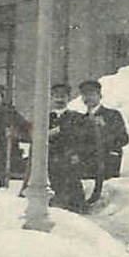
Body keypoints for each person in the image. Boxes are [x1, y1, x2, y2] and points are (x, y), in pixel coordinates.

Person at [78, 79, 129, 206]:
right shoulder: (80, 119)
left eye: (91, 94)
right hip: (87, 167)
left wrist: (105, 128)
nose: (88, 98)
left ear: (99, 96)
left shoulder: (112, 115)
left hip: (107, 166)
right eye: (85, 95)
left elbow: (123, 139)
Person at [46, 83, 88, 212]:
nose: (59, 99)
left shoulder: (76, 117)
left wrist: (76, 153)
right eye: (56, 96)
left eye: (63, 96)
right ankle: (57, 201)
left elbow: (80, 138)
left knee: (71, 179)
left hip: (69, 155)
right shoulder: (46, 118)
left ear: (68, 98)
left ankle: (76, 204)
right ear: (51, 98)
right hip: (50, 156)